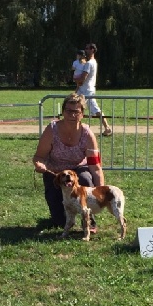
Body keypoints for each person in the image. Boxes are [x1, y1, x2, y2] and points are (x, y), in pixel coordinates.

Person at [33, 92, 104, 231]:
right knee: (60, 222)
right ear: (63, 112)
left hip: (78, 171)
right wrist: (39, 164)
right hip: (54, 173)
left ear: (82, 114)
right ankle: (61, 216)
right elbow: (39, 157)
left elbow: (95, 167)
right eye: (68, 111)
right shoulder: (51, 130)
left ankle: (89, 221)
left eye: (76, 112)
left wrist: (100, 191)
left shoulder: (87, 134)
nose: (72, 115)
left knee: (86, 179)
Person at [75, 43, 112, 136]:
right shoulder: (94, 62)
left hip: (86, 91)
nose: (85, 50)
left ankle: (107, 128)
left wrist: (75, 79)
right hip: (85, 89)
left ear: (92, 50)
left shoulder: (88, 63)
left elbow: (83, 79)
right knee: (77, 107)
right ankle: (106, 128)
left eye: (87, 48)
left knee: (90, 109)